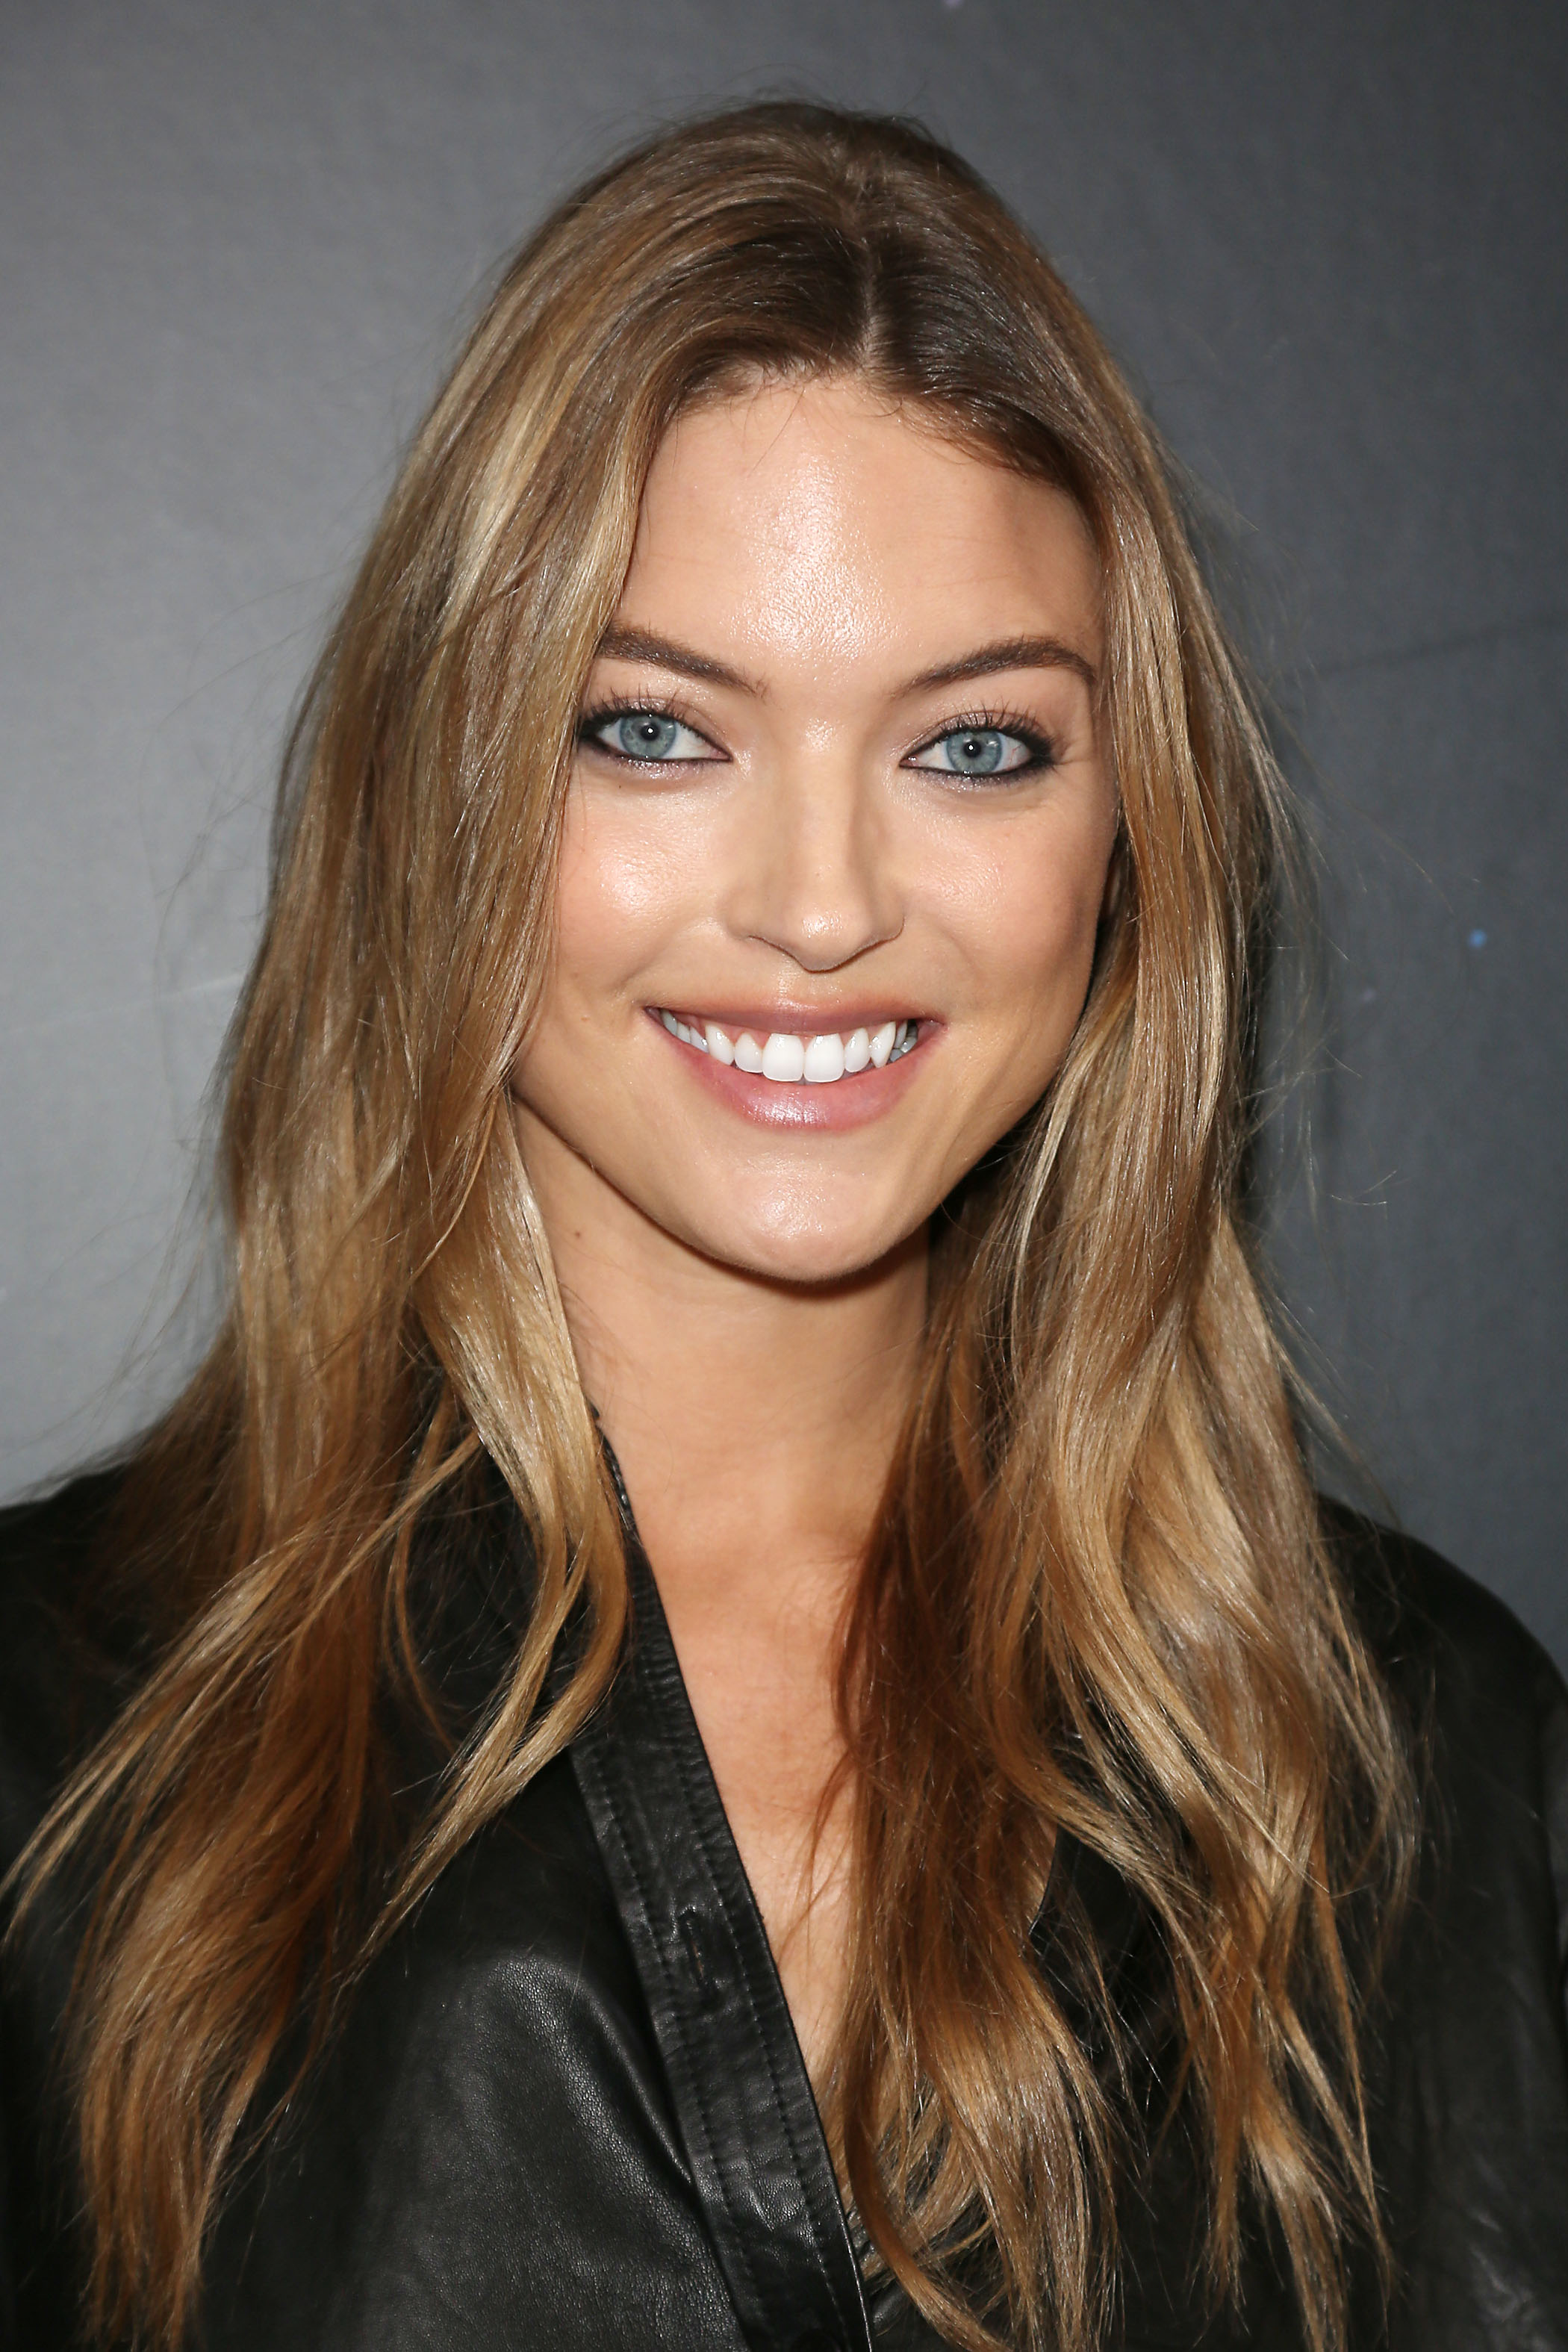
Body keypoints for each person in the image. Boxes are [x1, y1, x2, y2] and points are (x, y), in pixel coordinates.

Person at [1, 101, 1564, 2352]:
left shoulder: (1429, 1766)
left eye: (974, 747)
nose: (822, 905)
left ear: (1130, 839)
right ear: (444, 785)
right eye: (652, 729)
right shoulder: (56, 1753)